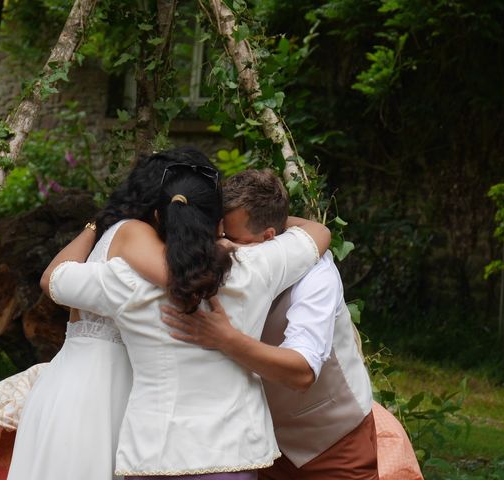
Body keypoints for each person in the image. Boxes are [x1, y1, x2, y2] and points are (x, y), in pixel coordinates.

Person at [37, 148, 331, 479]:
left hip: (155, 454)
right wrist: (257, 229)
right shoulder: (257, 266)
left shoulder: (126, 280)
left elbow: (54, 278)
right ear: (219, 222)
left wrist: (104, 219)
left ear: (159, 218)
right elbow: (318, 232)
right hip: (235, 452)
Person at [162, 169, 378, 480]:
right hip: (258, 442)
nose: (219, 247)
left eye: (231, 239)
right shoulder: (222, 260)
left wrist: (226, 339)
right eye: (217, 235)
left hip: (331, 443)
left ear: (269, 237)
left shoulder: (316, 274)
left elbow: (302, 370)